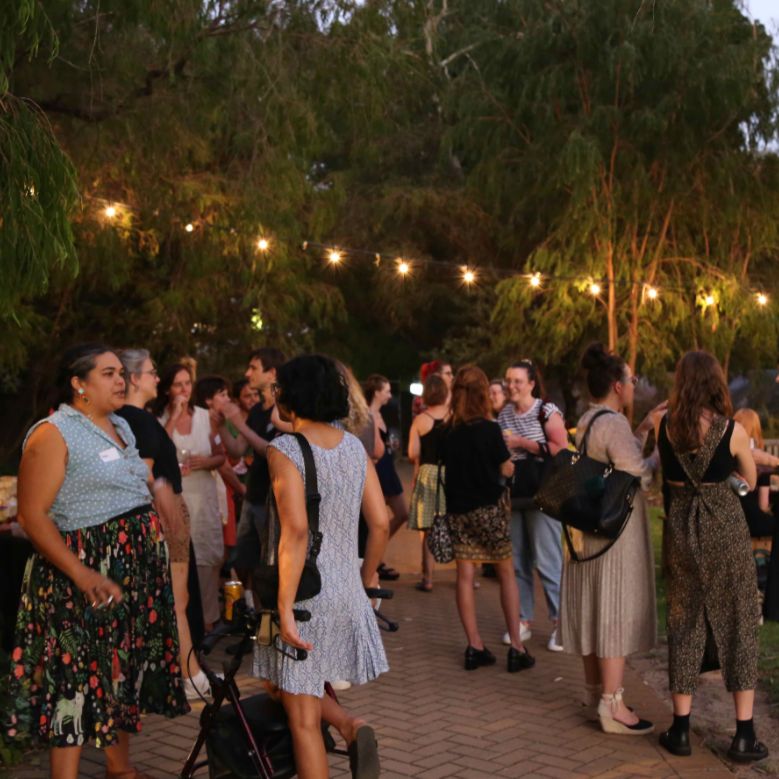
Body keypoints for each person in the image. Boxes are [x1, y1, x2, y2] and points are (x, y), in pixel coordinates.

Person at [5, 344, 186, 779]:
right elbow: (31, 516)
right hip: (81, 575)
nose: (121, 380)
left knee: (118, 673)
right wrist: (82, 573)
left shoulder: (121, 425)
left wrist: (160, 500)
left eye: (121, 372)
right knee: (72, 681)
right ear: (78, 383)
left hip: (128, 573)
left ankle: (120, 770)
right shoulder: (53, 432)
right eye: (108, 373)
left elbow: (133, 483)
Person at [252, 355, 389, 779]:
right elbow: (381, 523)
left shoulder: (285, 448)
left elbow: (295, 531)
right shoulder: (353, 447)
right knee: (283, 684)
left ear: (290, 396)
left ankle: (348, 725)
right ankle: (350, 725)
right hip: (345, 589)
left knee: (303, 721)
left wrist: (284, 609)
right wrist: (364, 581)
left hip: (298, 595)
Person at [656, 350, 768, 763]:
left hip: (682, 530)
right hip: (725, 530)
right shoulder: (731, 431)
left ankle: (681, 730)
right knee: (739, 618)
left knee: (685, 620)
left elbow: (664, 477)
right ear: (715, 383)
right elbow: (749, 479)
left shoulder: (665, 426)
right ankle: (744, 735)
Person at [560, 343, 664, 736]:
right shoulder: (614, 424)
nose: (634, 385)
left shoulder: (589, 418)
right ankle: (613, 704)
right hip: (614, 536)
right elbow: (638, 474)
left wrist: (643, 429)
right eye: (631, 379)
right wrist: (659, 452)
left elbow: (610, 461)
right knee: (613, 613)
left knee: (593, 611)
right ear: (618, 386)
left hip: (588, 531)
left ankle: (595, 696)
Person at [117, 349, 209, 700]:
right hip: (163, 515)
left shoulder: (131, 418)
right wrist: (163, 499)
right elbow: (144, 474)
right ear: (134, 378)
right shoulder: (136, 419)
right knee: (177, 598)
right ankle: (191, 676)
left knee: (172, 597)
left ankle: (182, 672)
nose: (157, 378)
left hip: (161, 512)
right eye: (151, 372)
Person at [442, 365, 534, 673]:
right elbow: (505, 467)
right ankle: (517, 648)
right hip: (489, 509)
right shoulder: (490, 430)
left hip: (458, 510)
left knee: (465, 577)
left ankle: (475, 645)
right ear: (483, 394)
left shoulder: (450, 431)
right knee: (506, 573)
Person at [497, 359, 569, 652]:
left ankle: (561, 624)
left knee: (548, 560)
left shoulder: (546, 412)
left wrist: (521, 443)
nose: (511, 386)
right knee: (518, 561)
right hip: (515, 495)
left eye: (517, 381)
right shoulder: (504, 414)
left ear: (530, 384)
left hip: (543, 495)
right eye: (508, 380)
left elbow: (561, 449)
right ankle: (523, 619)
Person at [155, 364, 226, 631]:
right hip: (175, 497)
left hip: (203, 494)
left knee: (207, 556)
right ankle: (181, 620)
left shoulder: (206, 417)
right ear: (167, 389)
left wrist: (207, 462)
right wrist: (173, 417)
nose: (184, 389)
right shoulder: (158, 419)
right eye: (178, 384)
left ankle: (209, 620)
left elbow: (221, 455)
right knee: (178, 555)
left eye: (187, 383)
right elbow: (158, 449)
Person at [213, 347, 286, 579]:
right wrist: (222, 426)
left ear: (272, 373)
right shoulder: (257, 410)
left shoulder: (284, 410)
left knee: (271, 567)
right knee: (245, 563)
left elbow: (272, 451)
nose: (247, 373)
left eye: (253, 368)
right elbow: (237, 448)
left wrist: (239, 423)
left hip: (273, 500)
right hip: (253, 497)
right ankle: (252, 602)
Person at [407, 373, 449, 592]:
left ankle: (428, 578)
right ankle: (468, 576)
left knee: (428, 528)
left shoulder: (420, 420)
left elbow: (412, 452)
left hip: (427, 474)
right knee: (455, 524)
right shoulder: (454, 417)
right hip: (451, 474)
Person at [364, 374, 408, 580]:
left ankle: (376, 553)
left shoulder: (381, 414)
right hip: (377, 470)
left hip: (388, 468)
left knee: (402, 513)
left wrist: (390, 445)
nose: (390, 395)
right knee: (377, 520)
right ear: (377, 392)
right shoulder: (366, 416)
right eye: (387, 391)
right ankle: (374, 561)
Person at [733, 409, 777, 538]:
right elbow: (763, 505)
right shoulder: (761, 465)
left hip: (732, 520)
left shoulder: (728, 456)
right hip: (752, 523)